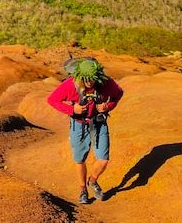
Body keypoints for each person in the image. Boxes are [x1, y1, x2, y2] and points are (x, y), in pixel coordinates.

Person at [46, 58, 124, 204]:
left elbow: (119, 93)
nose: (89, 82)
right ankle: (83, 189)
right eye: (86, 79)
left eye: (92, 79)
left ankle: (92, 181)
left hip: (99, 123)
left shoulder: (105, 83)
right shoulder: (70, 85)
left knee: (103, 160)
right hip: (79, 125)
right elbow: (52, 100)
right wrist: (71, 109)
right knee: (79, 159)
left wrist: (108, 106)